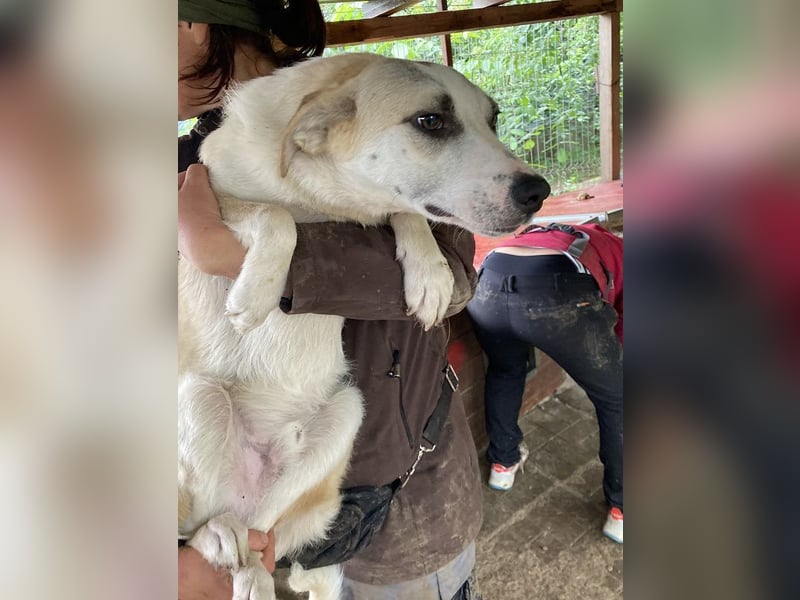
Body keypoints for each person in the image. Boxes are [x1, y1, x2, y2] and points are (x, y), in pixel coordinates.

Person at [177, 1, 484, 598]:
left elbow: (451, 277)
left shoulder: (381, 100)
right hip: (232, 515)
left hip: (399, 510)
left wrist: (236, 253)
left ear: (187, 22)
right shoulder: (188, 163)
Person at [466, 222, 624, 543]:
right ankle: (621, 509)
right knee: (617, 400)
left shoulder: (549, 232)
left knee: (504, 370)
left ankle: (503, 463)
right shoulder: (624, 251)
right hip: (556, 292)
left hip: (486, 287)